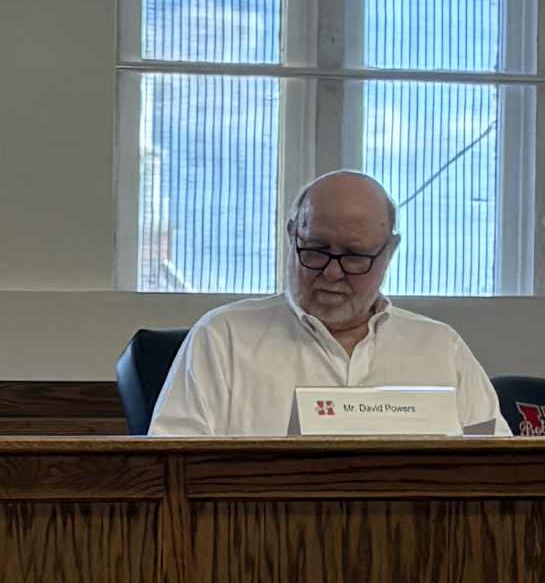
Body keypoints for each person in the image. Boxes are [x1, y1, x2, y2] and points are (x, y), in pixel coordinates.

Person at [147, 170, 508, 437]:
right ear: (292, 235)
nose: (332, 273)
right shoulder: (222, 339)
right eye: (316, 250)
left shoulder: (442, 349)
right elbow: (172, 472)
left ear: (390, 252)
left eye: (354, 257)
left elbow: (499, 472)